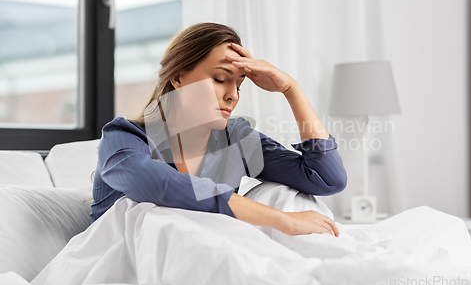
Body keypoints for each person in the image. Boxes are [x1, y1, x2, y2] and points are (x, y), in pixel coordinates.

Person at [89, 22, 347, 237]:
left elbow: (326, 179)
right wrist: (284, 220)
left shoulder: (235, 140)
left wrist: (291, 90)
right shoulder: (123, 137)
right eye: (220, 79)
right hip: (124, 262)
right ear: (178, 78)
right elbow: (161, 185)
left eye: (239, 85)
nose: (233, 95)